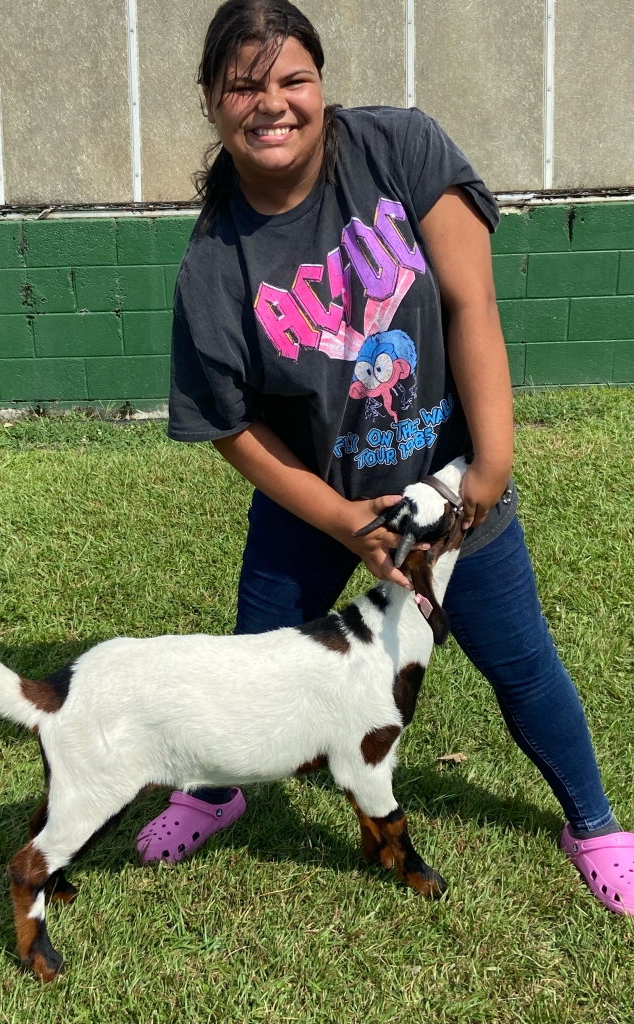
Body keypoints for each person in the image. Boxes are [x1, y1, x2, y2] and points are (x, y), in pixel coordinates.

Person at [135, 0, 634, 913]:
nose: (272, 104)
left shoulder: (399, 150)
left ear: (321, 86)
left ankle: (597, 826)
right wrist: (343, 522)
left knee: (521, 665)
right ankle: (216, 789)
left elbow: (470, 306)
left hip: (449, 488)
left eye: (293, 80)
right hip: (319, 504)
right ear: (212, 101)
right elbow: (233, 428)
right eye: (245, 85)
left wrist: (487, 468)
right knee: (252, 663)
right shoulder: (214, 262)